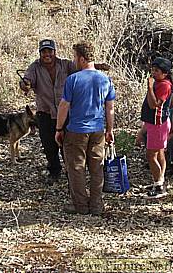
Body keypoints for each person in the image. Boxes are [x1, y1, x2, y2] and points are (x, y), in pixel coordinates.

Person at [55, 42, 115, 215]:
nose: (74, 61)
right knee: (97, 168)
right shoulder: (105, 80)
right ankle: (97, 205)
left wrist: (59, 129)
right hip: (97, 130)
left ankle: (80, 205)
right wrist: (109, 130)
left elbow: (64, 106)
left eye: (75, 57)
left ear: (81, 59)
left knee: (76, 168)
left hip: (76, 131)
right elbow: (109, 108)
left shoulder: (73, 80)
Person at [20, 39, 76, 185]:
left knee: (68, 144)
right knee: (49, 145)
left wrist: (98, 66)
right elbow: (26, 81)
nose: (47, 55)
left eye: (49, 51)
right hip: (45, 113)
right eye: (44, 52)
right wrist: (25, 85)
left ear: (54, 52)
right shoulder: (34, 67)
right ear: (40, 53)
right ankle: (54, 171)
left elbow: (83, 68)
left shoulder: (65, 64)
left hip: (65, 113)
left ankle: (71, 172)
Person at [140, 57, 173, 199]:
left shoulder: (164, 85)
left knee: (151, 154)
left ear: (165, 73)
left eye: (157, 71)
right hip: (155, 122)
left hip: (157, 124)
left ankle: (159, 185)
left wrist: (149, 87)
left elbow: (154, 105)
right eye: (152, 70)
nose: (153, 73)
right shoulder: (159, 83)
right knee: (159, 152)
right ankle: (159, 181)